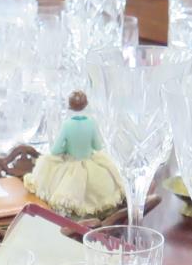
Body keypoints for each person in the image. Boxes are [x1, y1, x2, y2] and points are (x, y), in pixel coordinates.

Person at [23, 91, 124, 220]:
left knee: (57, 181)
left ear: (69, 106)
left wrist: (66, 148)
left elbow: (55, 149)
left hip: (70, 166)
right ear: (85, 105)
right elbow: (98, 146)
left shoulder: (67, 124)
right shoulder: (91, 123)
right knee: (100, 187)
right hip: (90, 164)